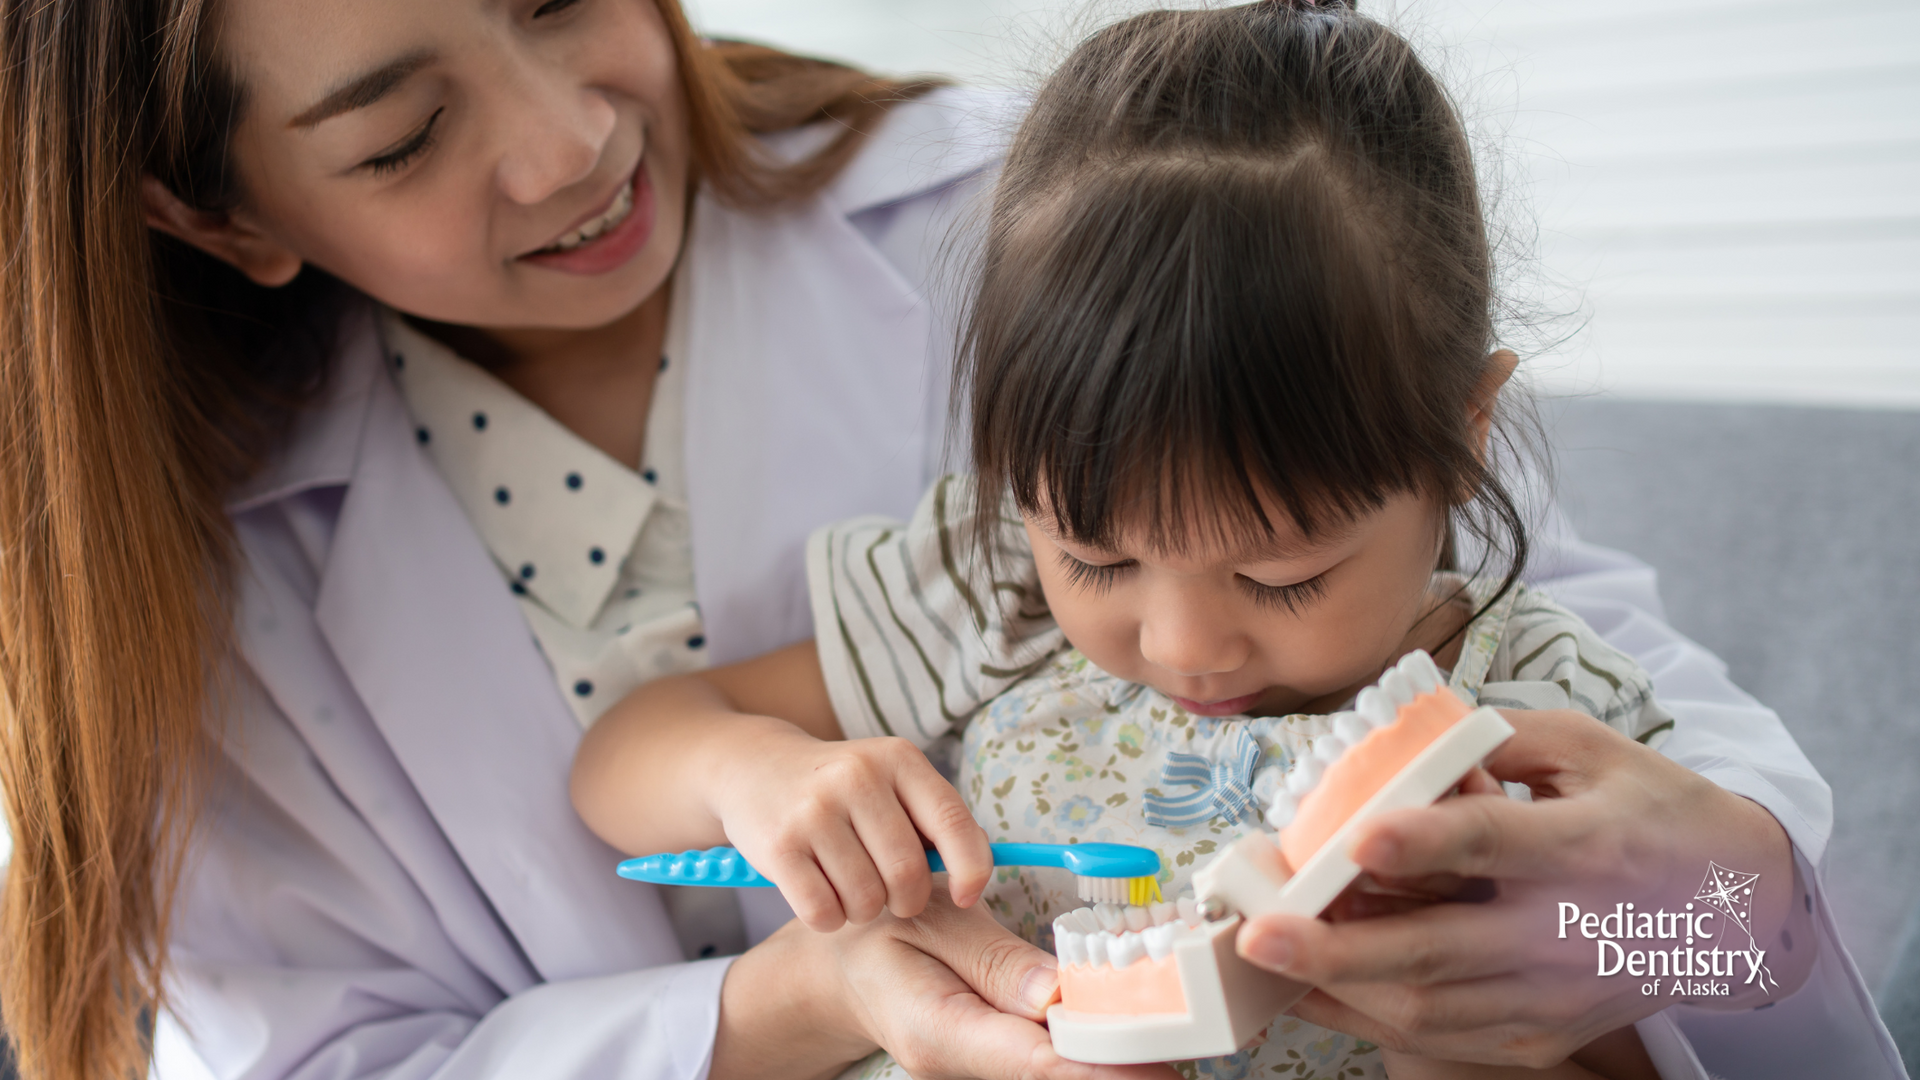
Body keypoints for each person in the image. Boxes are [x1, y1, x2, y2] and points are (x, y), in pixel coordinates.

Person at [0, 1, 1897, 1080]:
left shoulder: (1124, 216)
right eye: (404, 134)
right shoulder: (976, 583)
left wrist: (1640, 927)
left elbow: (1718, 891)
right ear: (214, 211)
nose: (567, 140)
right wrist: (809, 988)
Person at [569, 4, 1908, 1080]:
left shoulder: (1542, 724)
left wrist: (1507, 1032)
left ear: (1463, 440)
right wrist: (756, 771)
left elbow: (1727, 958)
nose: (1184, 643)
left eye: (1281, 574)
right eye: (1099, 558)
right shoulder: (984, 591)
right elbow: (627, 755)